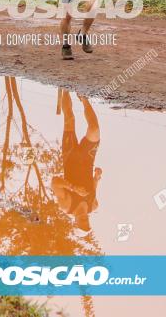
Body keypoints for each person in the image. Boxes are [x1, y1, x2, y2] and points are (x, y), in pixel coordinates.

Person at [51, 90, 101, 232]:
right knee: (94, 128)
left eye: (82, 225)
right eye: (88, 225)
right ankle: (84, 98)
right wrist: (97, 177)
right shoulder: (94, 205)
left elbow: (54, 182)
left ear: (75, 224)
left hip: (70, 157)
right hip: (87, 159)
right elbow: (93, 188)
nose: (85, 222)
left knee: (70, 118)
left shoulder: (66, 206)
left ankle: (65, 88)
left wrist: (72, 188)